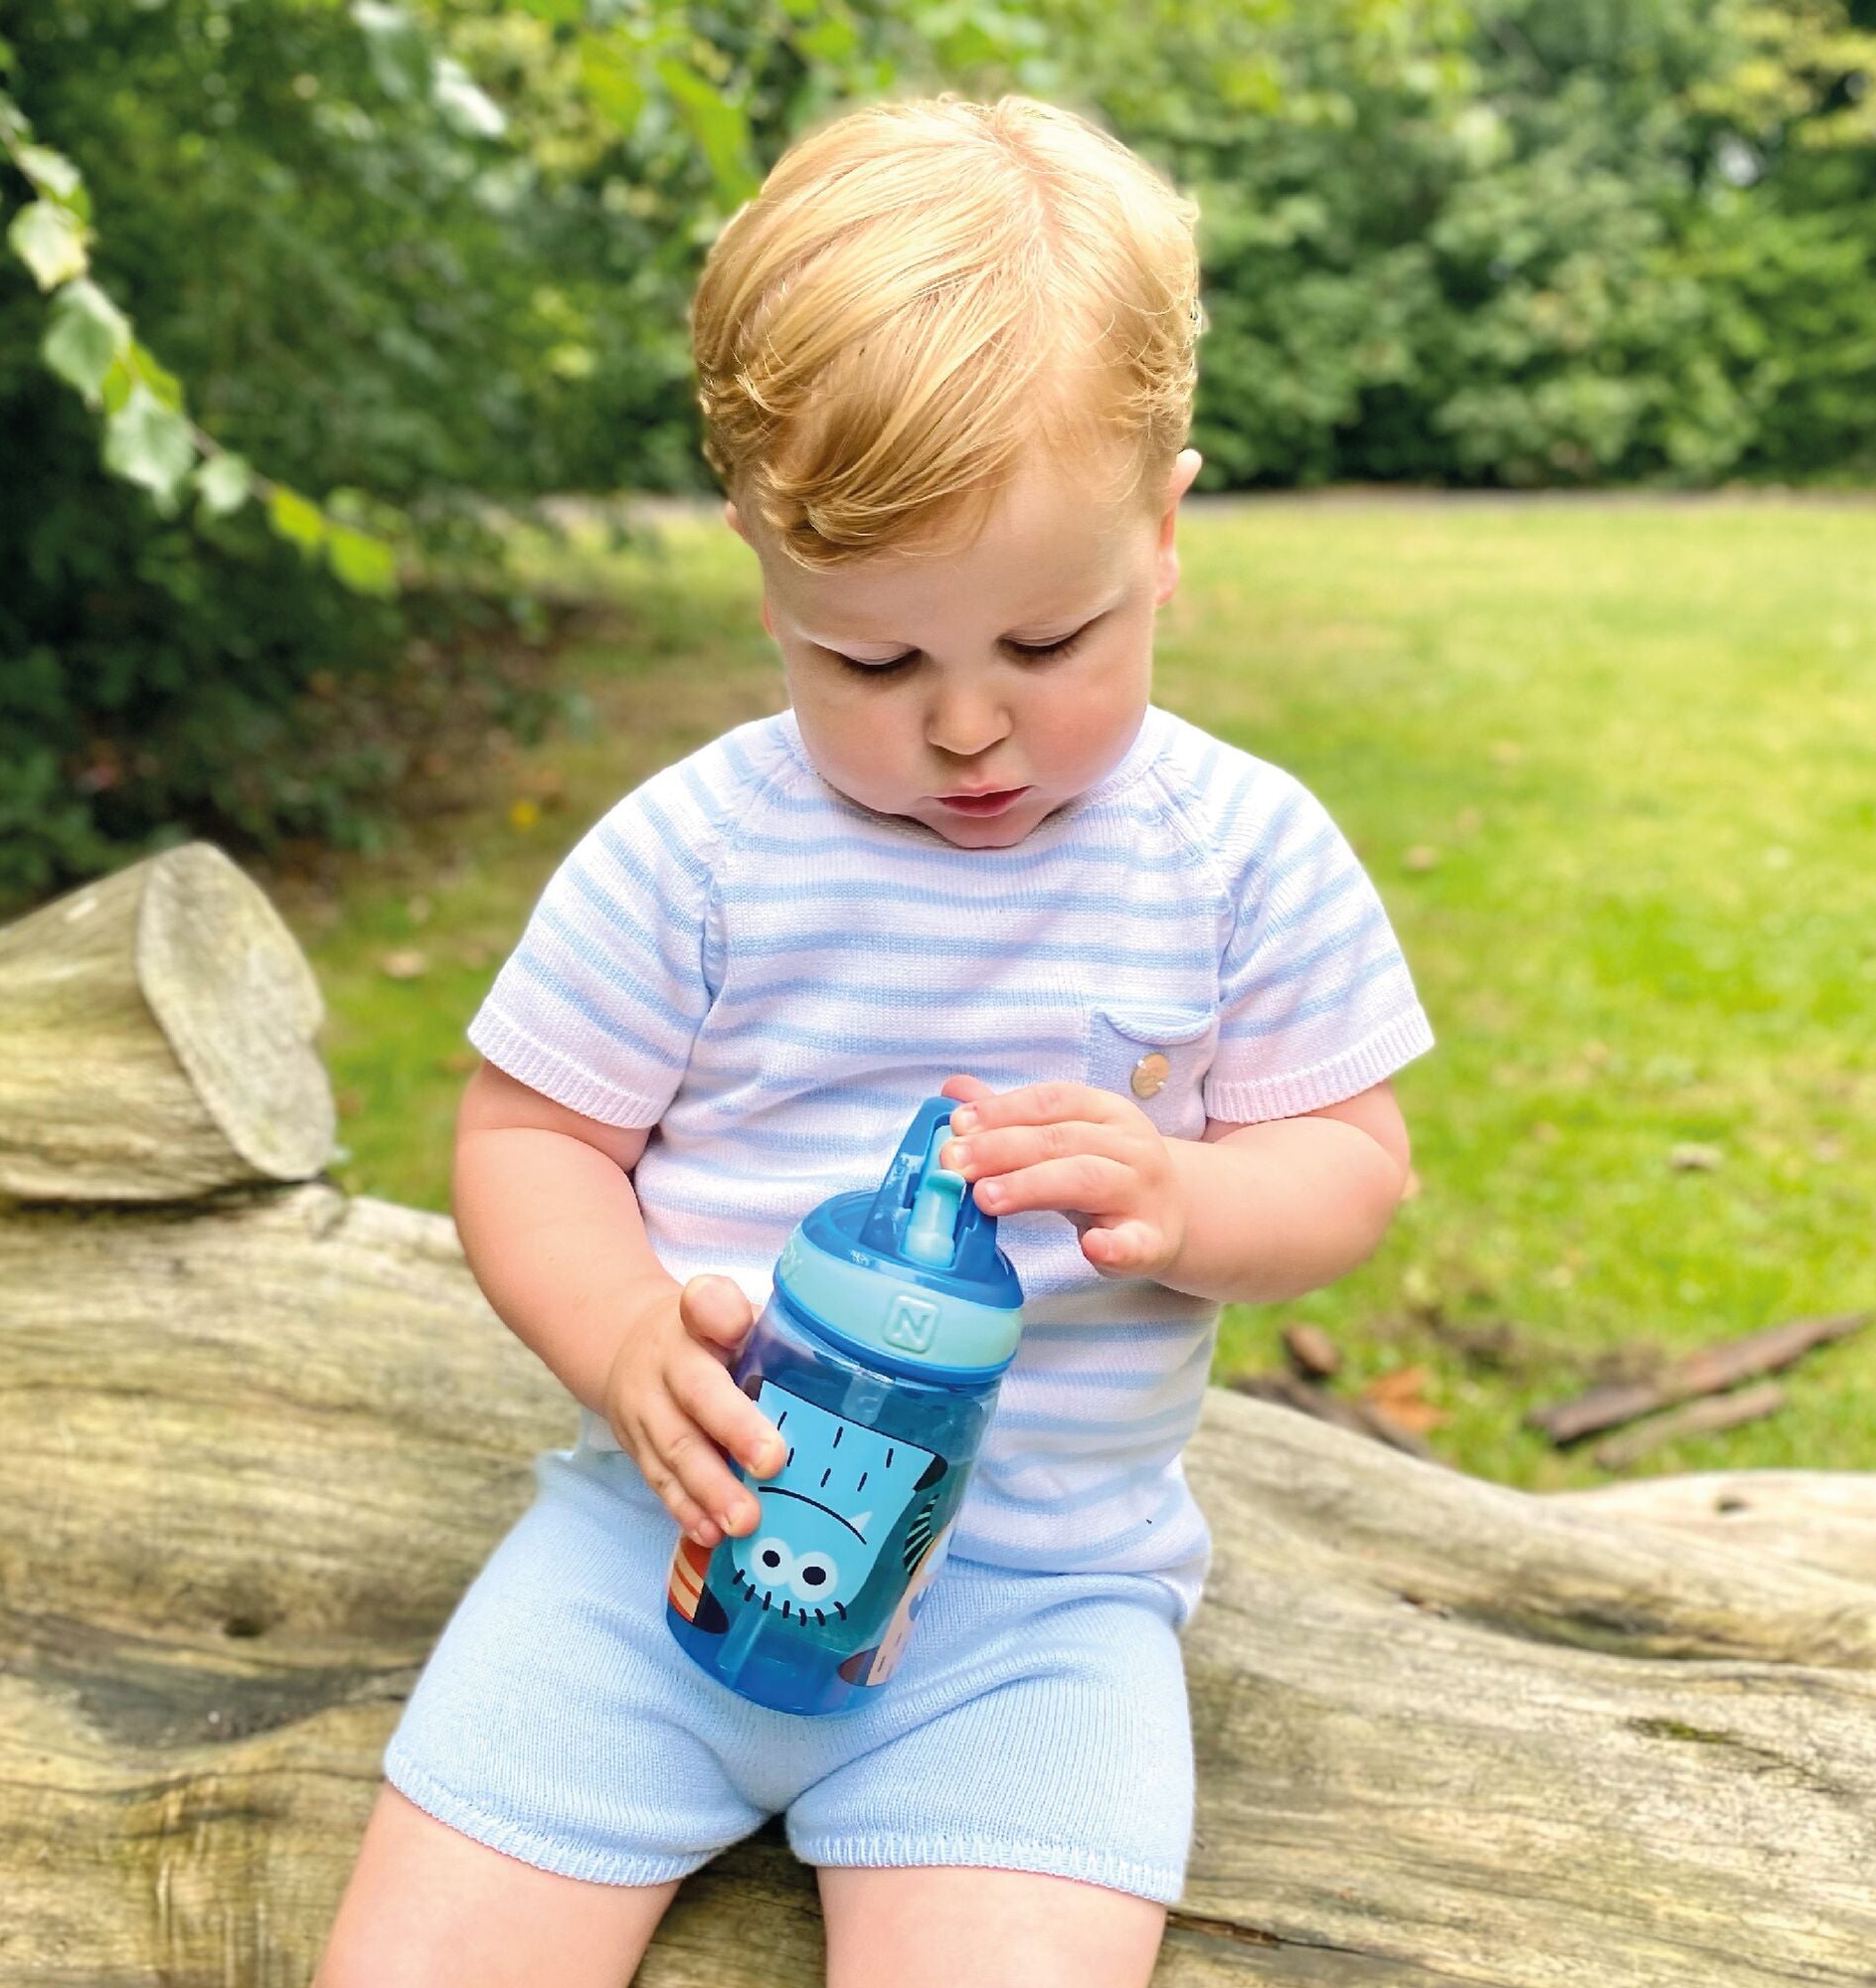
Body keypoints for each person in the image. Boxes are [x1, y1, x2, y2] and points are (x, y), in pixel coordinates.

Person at [314, 91, 1434, 1988]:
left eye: (1048, 642)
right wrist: (617, 1345)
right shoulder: (701, 855)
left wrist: (1189, 1194)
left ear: (1164, 536)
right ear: (765, 576)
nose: (968, 728)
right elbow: (529, 1138)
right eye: (876, 661)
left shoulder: (1238, 856)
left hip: (1035, 1612)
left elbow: (1351, 1165)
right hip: (652, 1541)